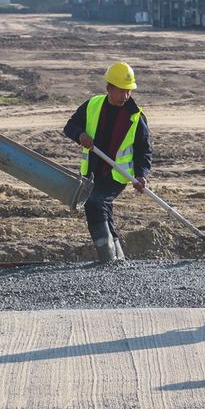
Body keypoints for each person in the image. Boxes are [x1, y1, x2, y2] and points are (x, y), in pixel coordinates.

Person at [63, 61, 152, 263]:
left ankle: (107, 257)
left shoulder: (136, 117)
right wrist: (80, 135)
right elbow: (70, 126)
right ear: (109, 88)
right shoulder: (93, 105)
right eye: (121, 91)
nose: (125, 96)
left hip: (117, 175)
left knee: (94, 203)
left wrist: (141, 175)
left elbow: (143, 150)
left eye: (128, 91)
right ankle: (118, 257)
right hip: (93, 172)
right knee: (103, 208)